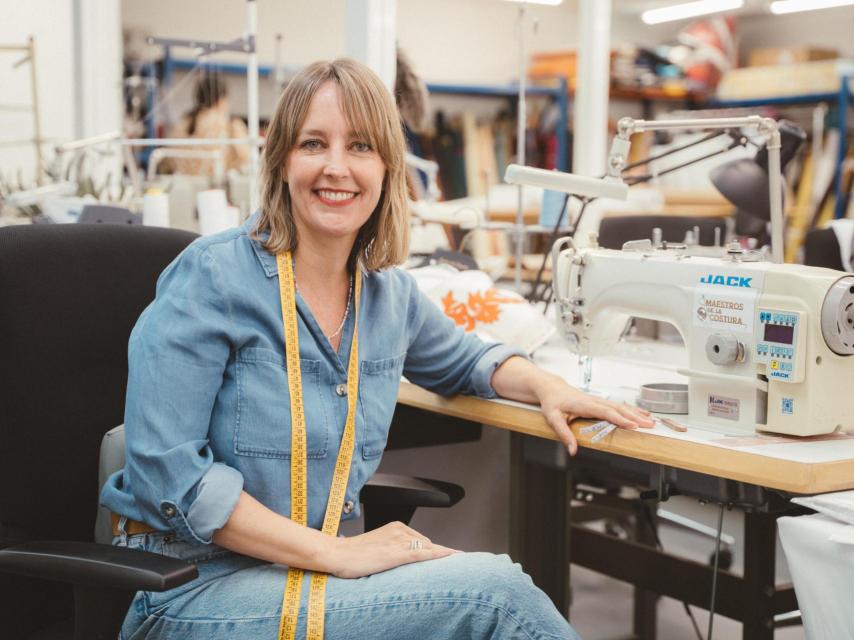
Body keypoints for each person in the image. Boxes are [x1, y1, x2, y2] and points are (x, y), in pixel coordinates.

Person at [101, 58, 654, 639]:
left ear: (387, 168)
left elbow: (469, 361)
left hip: (309, 577)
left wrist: (549, 386)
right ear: (282, 160)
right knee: (498, 601)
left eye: (360, 146)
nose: (336, 167)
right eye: (314, 143)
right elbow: (170, 478)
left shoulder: (386, 295)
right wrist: (336, 554)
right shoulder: (212, 278)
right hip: (190, 588)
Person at [167, 72, 250, 176]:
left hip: (182, 187)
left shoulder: (181, 125)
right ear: (220, 100)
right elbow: (246, 159)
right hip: (215, 188)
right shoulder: (231, 125)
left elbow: (168, 164)